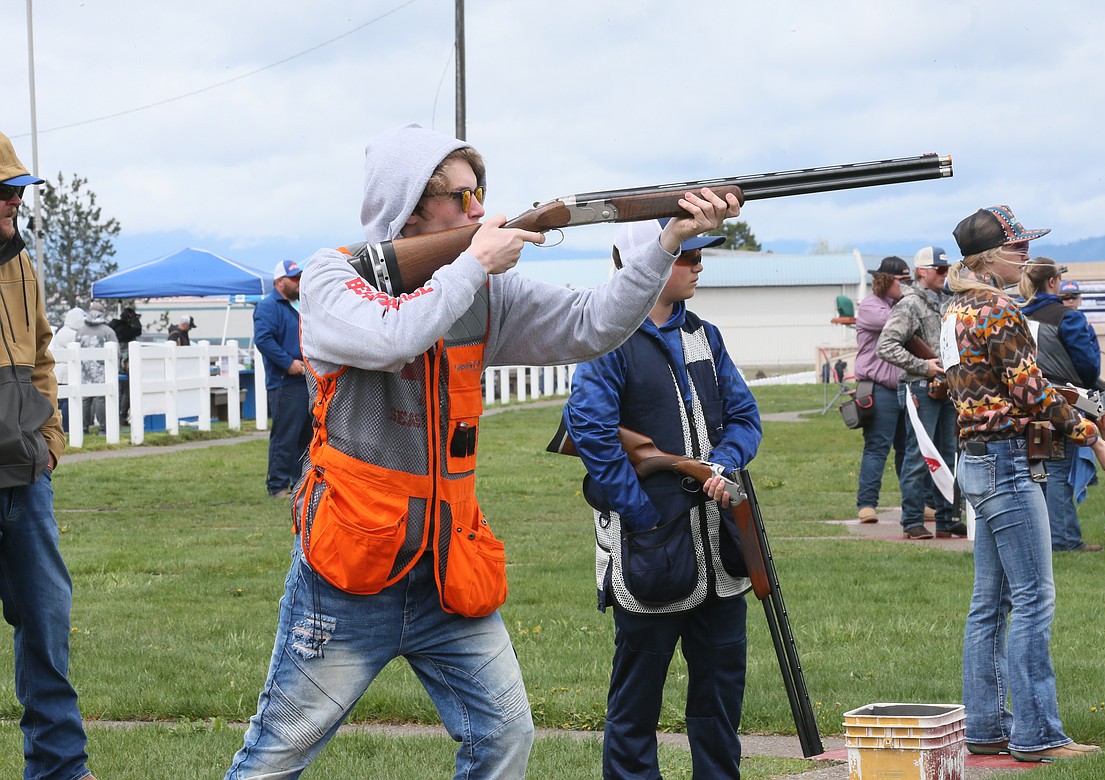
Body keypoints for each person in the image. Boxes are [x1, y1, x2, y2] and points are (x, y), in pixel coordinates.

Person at [223, 123, 739, 779]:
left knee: (505, 738)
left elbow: (594, 325)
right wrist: (471, 264)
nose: (479, 211)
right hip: (349, 570)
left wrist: (667, 242)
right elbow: (391, 338)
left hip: (447, 566)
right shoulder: (333, 274)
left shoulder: (481, 289)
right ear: (412, 207)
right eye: (462, 198)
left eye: (482, 194)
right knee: (276, 755)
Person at [562, 219, 761, 779]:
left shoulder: (704, 333)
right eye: (686, 256)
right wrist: (644, 516)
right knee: (635, 709)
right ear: (644, 263)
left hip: (720, 550)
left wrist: (720, 466)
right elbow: (594, 437)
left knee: (720, 704)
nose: (698, 265)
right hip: (647, 549)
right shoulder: (607, 340)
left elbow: (745, 417)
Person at [946, 205, 1105, 763]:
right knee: (1033, 600)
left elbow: (985, 387)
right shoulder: (998, 311)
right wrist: (1091, 433)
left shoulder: (956, 310)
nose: (1025, 255)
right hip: (1006, 463)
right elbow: (1028, 393)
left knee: (990, 603)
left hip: (976, 461)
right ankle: (1037, 735)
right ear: (990, 256)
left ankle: (986, 727)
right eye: (1017, 247)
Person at [0, 130, 97, 779]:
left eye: (15, 193)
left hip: (25, 474)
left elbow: (40, 358)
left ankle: (61, 768)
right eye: (4, 192)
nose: (14, 203)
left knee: (47, 620)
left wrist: (49, 440)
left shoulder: (22, 266)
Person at [876, 246, 964, 540]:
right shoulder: (909, 305)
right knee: (919, 455)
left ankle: (947, 518)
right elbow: (885, 346)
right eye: (939, 270)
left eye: (945, 270)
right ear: (921, 272)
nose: (944, 275)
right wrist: (922, 366)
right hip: (920, 387)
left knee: (948, 453)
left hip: (946, 388)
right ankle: (912, 520)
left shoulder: (946, 301)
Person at [1019, 259, 1103, 553]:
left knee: (1039, 468)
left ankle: (1040, 538)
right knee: (1057, 470)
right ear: (1053, 283)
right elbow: (1089, 365)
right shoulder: (1068, 317)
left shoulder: (1016, 314)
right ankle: (1064, 539)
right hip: (1061, 401)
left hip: (1027, 401)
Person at [854, 256, 910, 525]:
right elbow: (900, 324)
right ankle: (866, 504)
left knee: (907, 449)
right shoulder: (870, 307)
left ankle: (914, 503)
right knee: (877, 448)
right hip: (879, 389)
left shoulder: (901, 305)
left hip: (903, 387)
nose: (907, 287)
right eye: (902, 281)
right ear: (887, 280)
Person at [252, 259, 312, 498]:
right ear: (279, 282)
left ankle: (299, 483)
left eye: (299, 278)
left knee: (306, 436)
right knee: (286, 436)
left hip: (304, 380)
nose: (298, 283)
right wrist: (288, 363)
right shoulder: (268, 307)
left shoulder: (297, 305)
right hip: (285, 381)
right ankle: (277, 485)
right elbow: (263, 340)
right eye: (294, 278)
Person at [75, 301, 118, 435]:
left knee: (85, 399)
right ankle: (103, 428)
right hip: (102, 370)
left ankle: (83, 428)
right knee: (101, 399)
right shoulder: (108, 331)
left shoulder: (80, 331)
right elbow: (116, 352)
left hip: (84, 371)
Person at [50, 306, 86, 431]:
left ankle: (65, 426)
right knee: (67, 400)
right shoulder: (71, 334)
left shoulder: (62, 331)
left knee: (64, 399)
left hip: (60, 369)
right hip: (67, 370)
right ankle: (68, 426)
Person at [109, 306, 142, 426]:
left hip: (115, 363)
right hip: (124, 363)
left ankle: (116, 416)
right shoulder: (125, 329)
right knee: (126, 391)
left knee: (118, 390)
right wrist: (134, 319)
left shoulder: (113, 326)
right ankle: (121, 417)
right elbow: (138, 330)